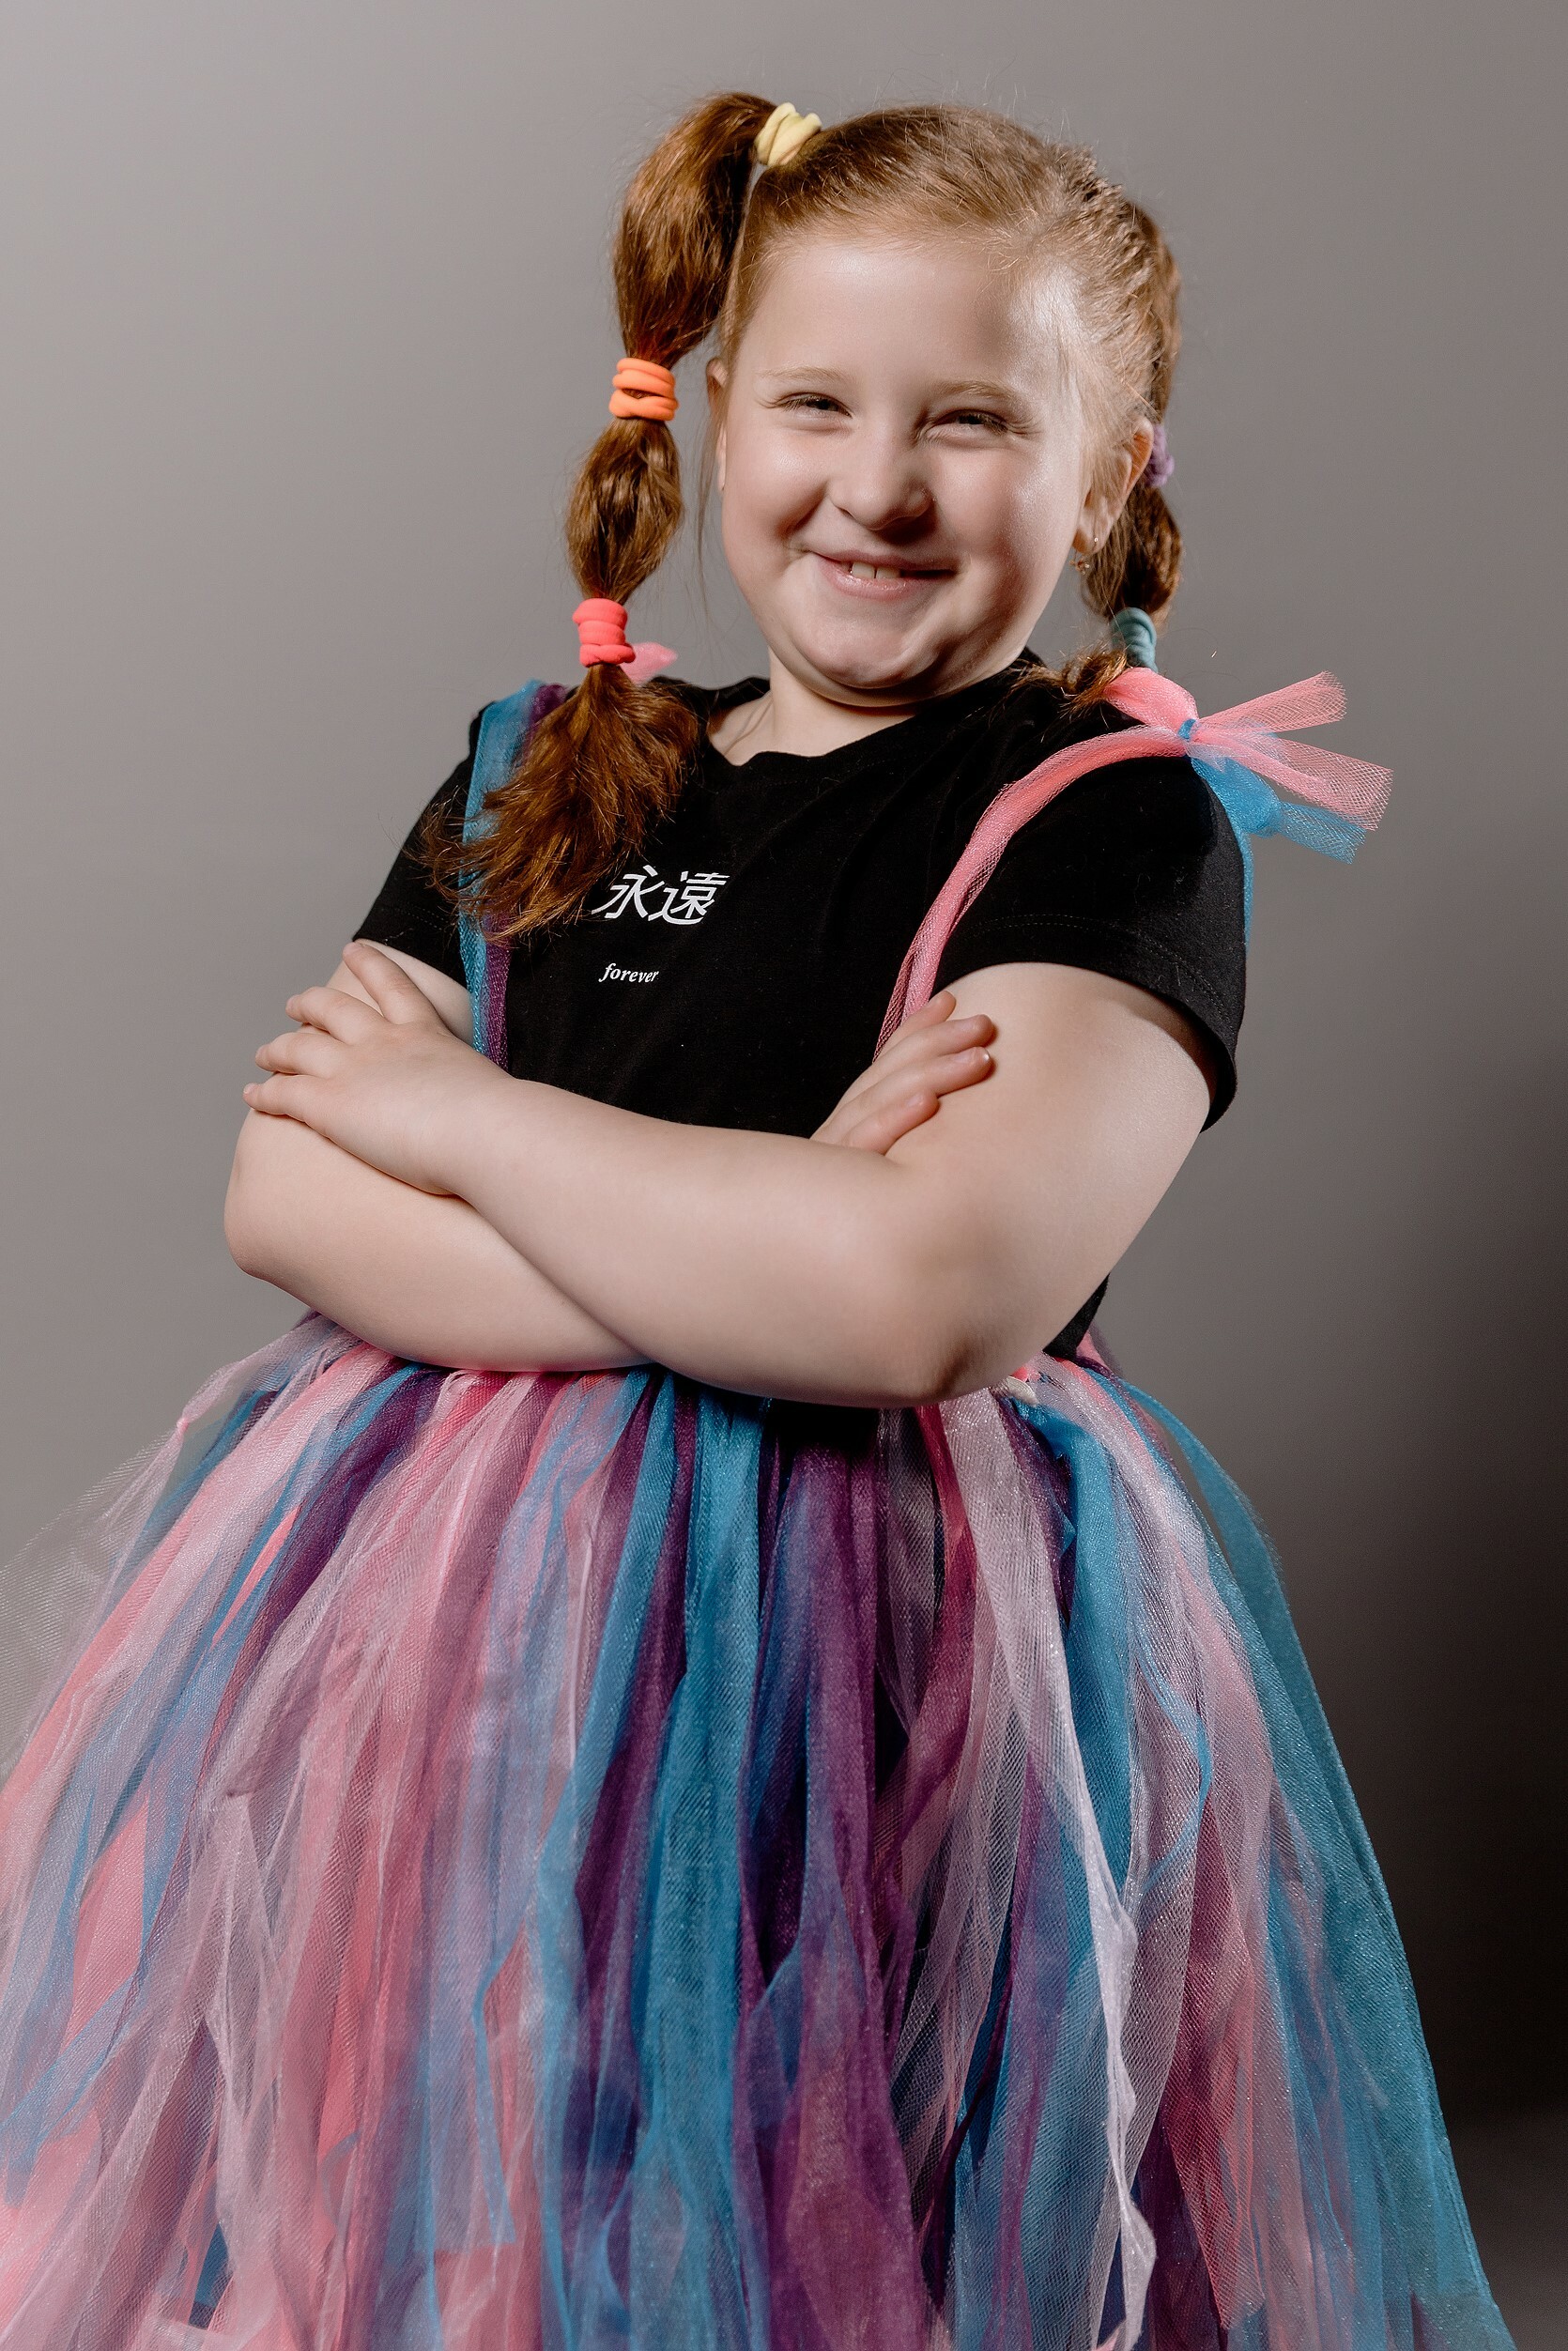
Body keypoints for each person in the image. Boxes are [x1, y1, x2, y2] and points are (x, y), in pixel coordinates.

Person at [0, 92, 1510, 2351]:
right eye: (813, 404)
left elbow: (914, 1302)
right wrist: (768, 1221)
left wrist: (463, 1121)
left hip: (872, 1625)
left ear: (1109, 478)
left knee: (811, 2182)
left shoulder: (1105, 821)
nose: (875, 486)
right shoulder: (541, 766)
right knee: (476, 2147)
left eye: (970, 423)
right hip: (426, 1630)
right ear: (715, 419)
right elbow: (283, 1188)